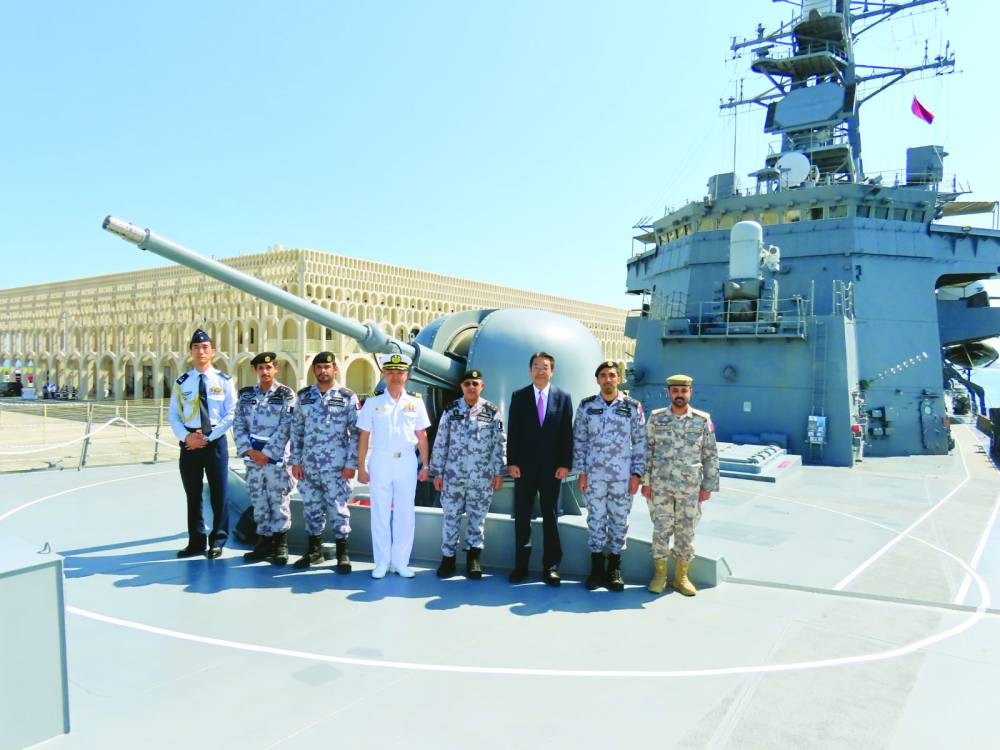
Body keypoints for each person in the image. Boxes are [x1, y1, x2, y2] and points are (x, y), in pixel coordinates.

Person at [641, 374, 720, 597]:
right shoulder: (656, 418)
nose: (679, 395)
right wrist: (646, 482)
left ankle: (681, 577)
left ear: (690, 393)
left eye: (683, 391)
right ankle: (659, 575)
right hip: (660, 487)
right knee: (661, 530)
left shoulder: (702, 420)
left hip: (690, 489)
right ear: (669, 393)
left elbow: (710, 454)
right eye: (675, 391)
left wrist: (708, 486)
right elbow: (647, 452)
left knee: (686, 533)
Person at [572, 361, 646, 591]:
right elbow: (579, 441)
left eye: (612, 375)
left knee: (619, 520)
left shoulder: (633, 407)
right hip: (593, 476)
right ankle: (596, 569)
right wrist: (580, 472)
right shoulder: (586, 406)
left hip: (622, 476)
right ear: (597, 380)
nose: (607, 379)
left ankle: (614, 569)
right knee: (595, 519)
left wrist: (637, 474)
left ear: (619, 379)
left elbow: (641, 443)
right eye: (603, 375)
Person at [356, 353, 431, 579]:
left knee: (405, 513)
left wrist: (426, 466)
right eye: (391, 372)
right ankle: (381, 562)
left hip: (407, 460)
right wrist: (361, 466)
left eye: (400, 373)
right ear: (384, 375)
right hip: (381, 459)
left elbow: (422, 435)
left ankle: (400, 562)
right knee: (379, 512)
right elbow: (364, 436)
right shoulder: (373, 401)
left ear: (407, 376)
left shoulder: (415, 402)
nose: (396, 377)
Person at [429, 369, 506, 580]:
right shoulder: (451, 409)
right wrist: (437, 472)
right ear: (461, 387)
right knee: (450, 517)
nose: (471, 387)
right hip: (453, 476)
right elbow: (441, 441)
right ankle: (448, 559)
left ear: (482, 386)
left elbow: (499, 442)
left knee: (477, 518)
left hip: (481, 477)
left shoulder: (491, 411)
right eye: (467, 384)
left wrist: (498, 471)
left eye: (475, 383)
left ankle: (474, 559)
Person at [167, 329, 237, 559]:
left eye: (205, 347)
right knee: (193, 494)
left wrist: (207, 437)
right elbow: (173, 415)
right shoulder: (182, 382)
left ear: (213, 352)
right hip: (189, 445)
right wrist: (187, 438)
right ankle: (196, 541)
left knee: (219, 493)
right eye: (196, 347)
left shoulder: (224, 381)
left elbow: (231, 414)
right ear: (190, 352)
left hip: (214, 442)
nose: (201, 351)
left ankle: (218, 540)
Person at [506, 351, 574, 585]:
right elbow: (513, 432)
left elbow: (567, 434)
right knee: (522, 517)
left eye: (544, 366)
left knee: (550, 517)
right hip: (523, 469)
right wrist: (512, 462)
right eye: (535, 366)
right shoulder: (519, 396)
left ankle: (551, 567)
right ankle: (521, 566)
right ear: (530, 370)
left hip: (552, 469)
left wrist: (566, 464)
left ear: (552, 371)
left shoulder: (563, 398)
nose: (540, 370)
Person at [289, 352, 359, 573]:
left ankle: (342, 554)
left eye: (327, 367)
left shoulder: (347, 397)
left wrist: (351, 464)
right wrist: (296, 461)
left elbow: (356, 433)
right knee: (311, 508)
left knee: (339, 509)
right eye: (318, 367)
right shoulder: (304, 397)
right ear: (314, 370)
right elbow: (297, 431)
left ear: (335, 369)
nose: (323, 371)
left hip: (337, 467)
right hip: (309, 466)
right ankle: (314, 552)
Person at [233, 352, 297, 566]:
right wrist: (250, 452)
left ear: (275, 369)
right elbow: (239, 424)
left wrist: (267, 454)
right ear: (255, 371)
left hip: (276, 461)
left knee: (278, 501)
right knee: (259, 501)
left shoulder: (286, 394)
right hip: (253, 461)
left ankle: (280, 544)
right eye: (260, 368)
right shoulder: (246, 396)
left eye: (268, 367)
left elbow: (287, 425)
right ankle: (263, 542)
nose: (265, 371)